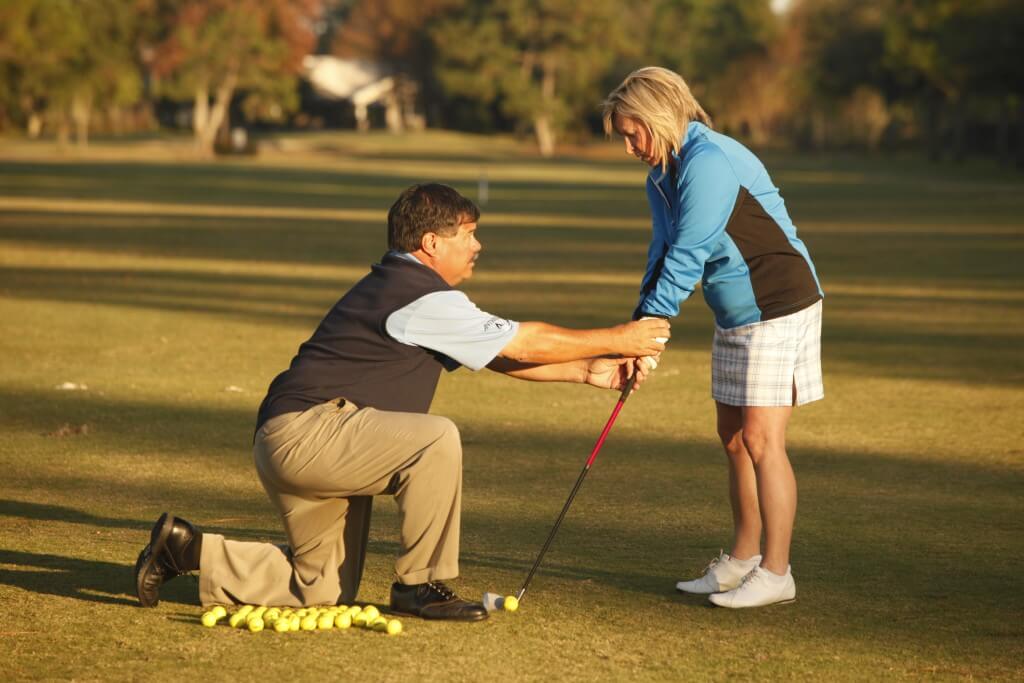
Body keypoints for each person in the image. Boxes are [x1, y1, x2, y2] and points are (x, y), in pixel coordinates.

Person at [134, 183, 669, 621]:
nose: (476, 247)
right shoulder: (422, 296)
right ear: (432, 243)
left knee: (320, 589)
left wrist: (585, 371)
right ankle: (421, 586)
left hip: (300, 443)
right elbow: (522, 341)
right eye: (467, 235)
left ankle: (185, 549)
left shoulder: (405, 289)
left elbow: (502, 358)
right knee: (436, 437)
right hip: (311, 435)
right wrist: (623, 337)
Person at [602, 67, 824, 609]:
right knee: (732, 436)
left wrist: (650, 335)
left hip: (778, 301)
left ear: (658, 119)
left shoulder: (708, 163)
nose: (630, 147)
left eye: (633, 134)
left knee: (762, 439)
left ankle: (777, 572)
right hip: (735, 311)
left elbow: (688, 255)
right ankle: (744, 558)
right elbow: (661, 251)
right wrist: (639, 331)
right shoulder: (662, 173)